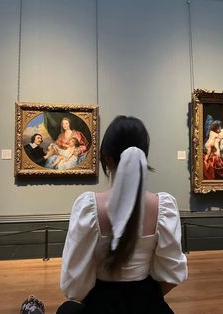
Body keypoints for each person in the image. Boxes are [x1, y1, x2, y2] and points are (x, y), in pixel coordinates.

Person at [56, 115, 188, 314]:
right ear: (144, 155)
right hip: (148, 304)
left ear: (106, 158)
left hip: (101, 305)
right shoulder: (163, 206)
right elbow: (172, 275)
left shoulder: (88, 207)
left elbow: (73, 286)